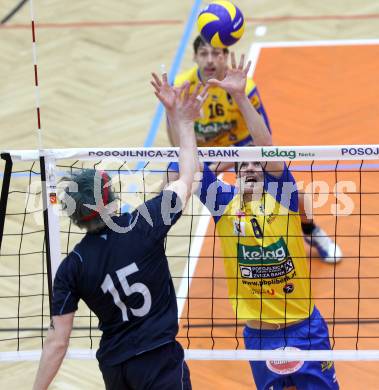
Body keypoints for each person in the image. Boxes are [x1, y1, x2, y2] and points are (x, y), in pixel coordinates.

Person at [32, 76, 209, 390]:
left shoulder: (72, 267)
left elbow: (57, 343)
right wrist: (183, 121)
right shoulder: (144, 223)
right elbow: (188, 176)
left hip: (117, 370)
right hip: (160, 361)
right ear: (111, 199)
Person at [198, 53, 339, 389]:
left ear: (266, 175)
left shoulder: (285, 199)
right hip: (260, 337)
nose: (249, 167)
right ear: (233, 175)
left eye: (256, 165)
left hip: (305, 328)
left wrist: (239, 96)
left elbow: (266, 147)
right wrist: (177, 116)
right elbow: (186, 160)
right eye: (241, 165)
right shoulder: (224, 204)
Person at [167, 35, 342, 264]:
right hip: (204, 158)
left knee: (297, 198)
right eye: (204, 54)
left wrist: (225, 163)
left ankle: (310, 230)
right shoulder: (183, 87)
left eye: (216, 53)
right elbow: (176, 144)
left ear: (225, 56)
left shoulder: (244, 86)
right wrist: (171, 113)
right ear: (194, 57)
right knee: (171, 176)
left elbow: (264, 142)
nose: (210, 60)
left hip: (245, 153)